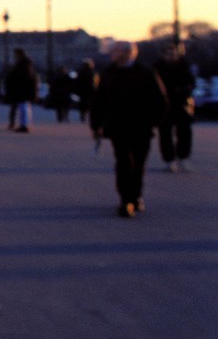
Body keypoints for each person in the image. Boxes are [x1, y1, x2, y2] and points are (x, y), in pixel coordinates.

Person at [90, 42, 168, 216]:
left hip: (141, 126)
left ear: (127, 53)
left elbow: (160, 100)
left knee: (139, 164)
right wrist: (96, 125)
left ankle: (136, 196)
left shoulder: (146, 73)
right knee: (123, 162)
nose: (111, 54)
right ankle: (126, 200)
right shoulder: (109, 73)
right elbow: (99, 101)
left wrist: (153, 122)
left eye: (114, 51)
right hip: (118, 126)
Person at [153, 44, 196, 172]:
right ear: (164, 54)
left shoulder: (184, 66)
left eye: (174, 53)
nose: (172, 55)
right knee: (165, 133)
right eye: (169, 53)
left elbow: (191, 82)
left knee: (185, 132)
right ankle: (169, 159)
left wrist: (185, 90)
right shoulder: (157, 68)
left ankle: (183, 157)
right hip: (164, 105)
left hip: (181, 103)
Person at [5, 49, 39, 132]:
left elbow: (22, 76)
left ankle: (24, 125)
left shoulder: (23, 64)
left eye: (15, 54)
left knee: (23, 107)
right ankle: (24, 124)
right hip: (23, 88)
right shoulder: (25, 63)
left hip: (23, 89)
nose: (14, 56)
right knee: (23, 107)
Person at [74, 60, 97, 124]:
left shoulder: (80, 72)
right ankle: (88, 115)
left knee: (82, 104)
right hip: (89, 91)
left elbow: (77, 82)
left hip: (82, 91)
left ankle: (83, 115)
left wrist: (77, 90)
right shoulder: (92, 72)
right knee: (90, 104)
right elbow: (94, 82)